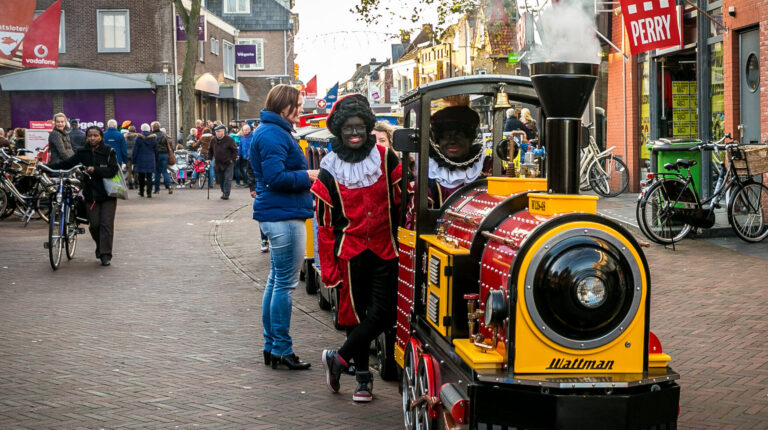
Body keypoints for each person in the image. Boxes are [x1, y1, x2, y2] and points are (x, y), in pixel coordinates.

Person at [314, 95, 401, 403]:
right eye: (348, 128)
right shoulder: (329, 170)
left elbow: (402, 201)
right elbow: (325, 225)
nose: (354, 133)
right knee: (355, 316)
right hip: (349, 251)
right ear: (338, 132)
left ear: (367, 128)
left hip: (385, 248)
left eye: (360, 127)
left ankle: (338, 359)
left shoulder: (386, 157)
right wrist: (329, 269)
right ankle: (363, 380)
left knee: (384, 313)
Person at [251, 84, 317, 370]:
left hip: (277, 213)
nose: (301, 109)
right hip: (284, 216)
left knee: (276, 281)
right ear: (284, 105)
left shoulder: (270, 131)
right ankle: (281, 348)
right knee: (286, 285)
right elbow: (275, 177)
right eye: (298, 105)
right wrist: (308, 175)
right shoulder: (274, 134)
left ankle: (272, 345)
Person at [45, 126, 119, 266]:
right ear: (86, 137)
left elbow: (113, 170)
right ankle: (100, 246)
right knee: (94, 225)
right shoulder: (82, 152)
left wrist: (95, 170)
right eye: (90, 135)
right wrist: (47, 167)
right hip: (90, 195)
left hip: (108, 194)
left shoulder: (108, 151)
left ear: (101, 137)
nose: (92, 138)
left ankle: (105, 255)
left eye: (95, 135)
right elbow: (67, 163)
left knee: (106, 225)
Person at [208, 125, 238, 199]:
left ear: (223, 132)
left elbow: (235, 150)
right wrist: (209, 159)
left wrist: (232, 159)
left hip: (228, 162)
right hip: (218, 163)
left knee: (228, 178)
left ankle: (226, 194)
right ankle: (223, 191)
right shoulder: (213, 140)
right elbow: (210, 150)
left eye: (218, 131)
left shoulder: (229, 140)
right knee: (220, 179)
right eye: (216, 132)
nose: (217, 133)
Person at [132, 123, 157, 198]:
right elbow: (156, 150)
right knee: (149, 177)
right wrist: (156, 158)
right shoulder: (153, 138)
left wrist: (134, 160)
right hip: (150, 159)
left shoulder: (138, 138)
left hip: (140, 159)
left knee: (141, 177)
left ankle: (141, 192)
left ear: (142, 129)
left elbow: (135, 150)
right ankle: (149, 193)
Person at [152, 121, 173, 195]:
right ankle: (169, 186)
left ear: (152, 128)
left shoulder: (152, 135)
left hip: (157, 155)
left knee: (157, 172)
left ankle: (157, 189)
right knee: (164, 171)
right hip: (165, 155)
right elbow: (169, 145)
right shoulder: (164, 135)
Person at [124, 125, 138, 189]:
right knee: (136, 170)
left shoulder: (125, 137)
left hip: (127, 155)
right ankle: (136, 183)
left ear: (128, 130)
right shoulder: (137, 137)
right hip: (135, 155)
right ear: (134, 130)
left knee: (128, 171)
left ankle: (130, 184)